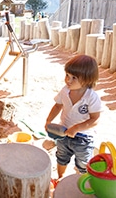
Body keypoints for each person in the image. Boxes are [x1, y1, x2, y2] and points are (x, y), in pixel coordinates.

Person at [45, 54, 102, 184]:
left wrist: (77, 128)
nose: (68, 80)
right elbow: (57, 105)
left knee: (83, 163)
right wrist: (48, 121)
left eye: (74, 78)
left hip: (83, 138)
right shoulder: (65, 91)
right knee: (61, 156)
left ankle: (82, 183)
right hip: (63, 132)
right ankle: (60, 178)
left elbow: (95, 119)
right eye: (67, 75)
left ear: (87, 79)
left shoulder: (91, 97)